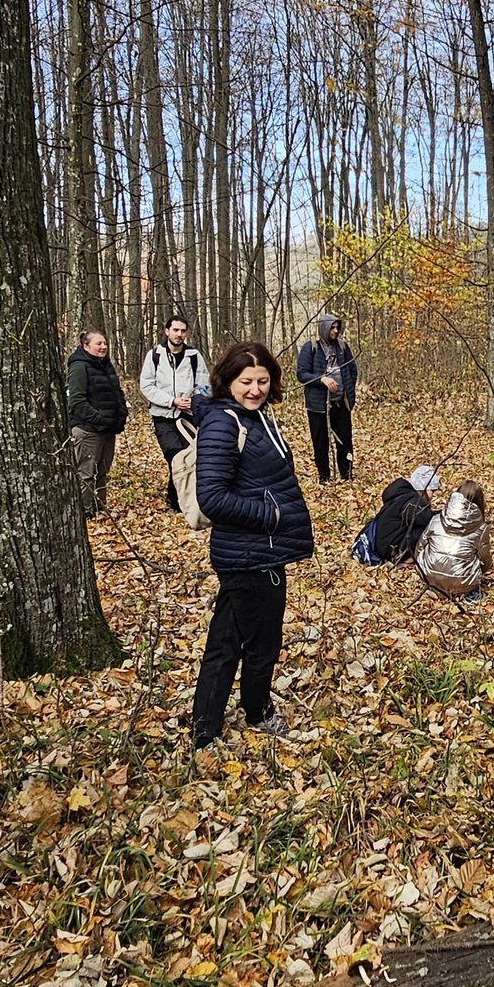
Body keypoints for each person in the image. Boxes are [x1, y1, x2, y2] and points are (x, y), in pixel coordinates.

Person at [192, 341, 315, 748]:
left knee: (227, 639)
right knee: (260, 641)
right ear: (227, 381)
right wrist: (272, 516)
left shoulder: (259, 416)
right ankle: (257, 712)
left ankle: (205, 727)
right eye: (246, 381)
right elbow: (212, 496)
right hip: (249, 554)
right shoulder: (224, 423)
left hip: (260, 551)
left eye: (263, 381)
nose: (255, 389)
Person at [138, 316, 209, 511]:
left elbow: (204, 385)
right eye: (175, 330)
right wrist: (171, 401)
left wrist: (193, 401)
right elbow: (146, 385)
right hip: (163, 416)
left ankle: (183, 499)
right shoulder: (155, 356)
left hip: (188, 415)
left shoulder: (194, 356)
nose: (179, 334)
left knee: (190, 456)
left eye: (182, 331)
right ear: (166, 331)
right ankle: (176, 500)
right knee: (175, 455)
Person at [66, 330, 129, 518]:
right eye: (98, 344)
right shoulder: (79, 367)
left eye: (105, 343)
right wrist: (99, 420)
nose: (103, 347)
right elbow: (76, 401)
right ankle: (85, 512)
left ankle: (99, 507)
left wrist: (121, 413)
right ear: (86, 346)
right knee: (86, 473)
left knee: (102, 472)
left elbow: (116, 392)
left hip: (108, 430)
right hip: (88, 431)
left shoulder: (105, 365)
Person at [295, 314, 360, 484]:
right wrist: (321, 379)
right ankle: (324, 477)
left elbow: (352, 370)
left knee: (345, 441)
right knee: (320, 442)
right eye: (332, 327)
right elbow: (301, 374)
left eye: (337, 327)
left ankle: (347, 475)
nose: (335, 330)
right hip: (318, 407)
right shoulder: (311, 348)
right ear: (324, 328)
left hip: (340, 404)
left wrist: (348, 389)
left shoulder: (342, 347)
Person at [414, 479, 493, 599]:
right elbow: (485, 560)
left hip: (429, 578)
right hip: (461, 584)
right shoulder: (481, 528)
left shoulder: (436, 519)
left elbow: (420, 547)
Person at [358, 465, 440, 564]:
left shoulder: (403, 496)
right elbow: (429, 519)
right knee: (428, 529)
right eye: (432, 491)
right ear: (423, 488)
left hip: (383, 544)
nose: (433, 495)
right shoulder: (410, 502)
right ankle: (406, 559)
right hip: (388, 550)